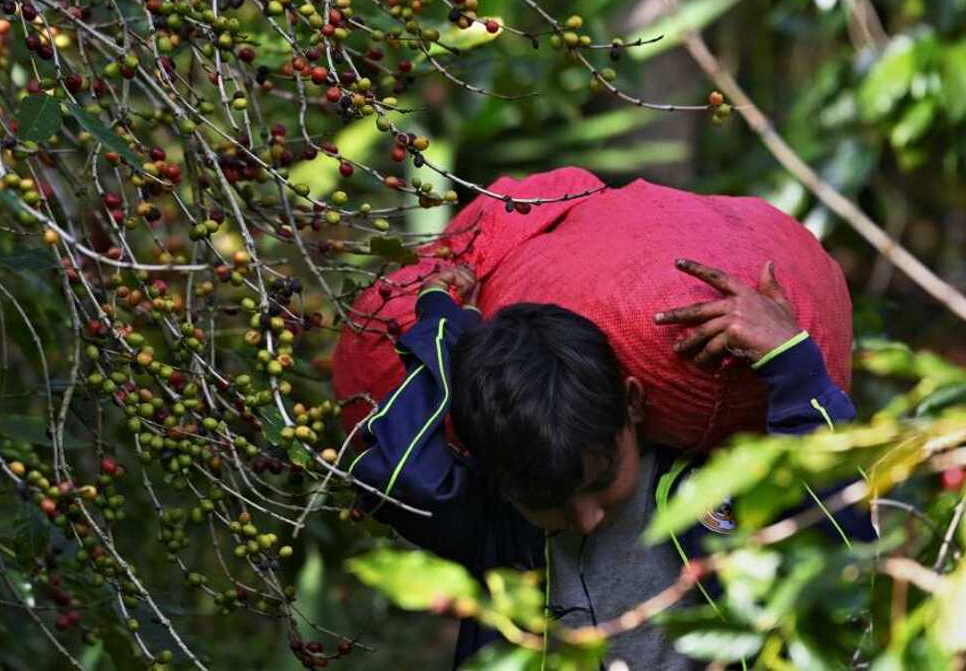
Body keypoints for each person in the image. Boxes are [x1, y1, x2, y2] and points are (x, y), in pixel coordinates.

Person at [342, 258, 874, 670]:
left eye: (599, 480)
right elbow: (400, 474)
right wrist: (448, 331)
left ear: (634, 403)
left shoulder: (712, 497)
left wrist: (793, 365)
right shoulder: (502, 532)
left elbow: (840, 549)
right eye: (546, 503)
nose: (587, 518)